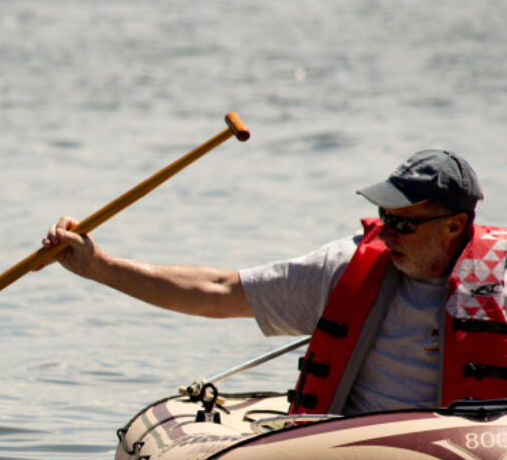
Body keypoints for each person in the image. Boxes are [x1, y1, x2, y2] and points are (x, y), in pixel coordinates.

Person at [40, 150, 507, 415]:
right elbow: (219, 290)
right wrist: (99, 267)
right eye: (384, 217)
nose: (386, 233)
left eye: (404, 223)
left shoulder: (500, 282)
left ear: (453, 225)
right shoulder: (344, 267)